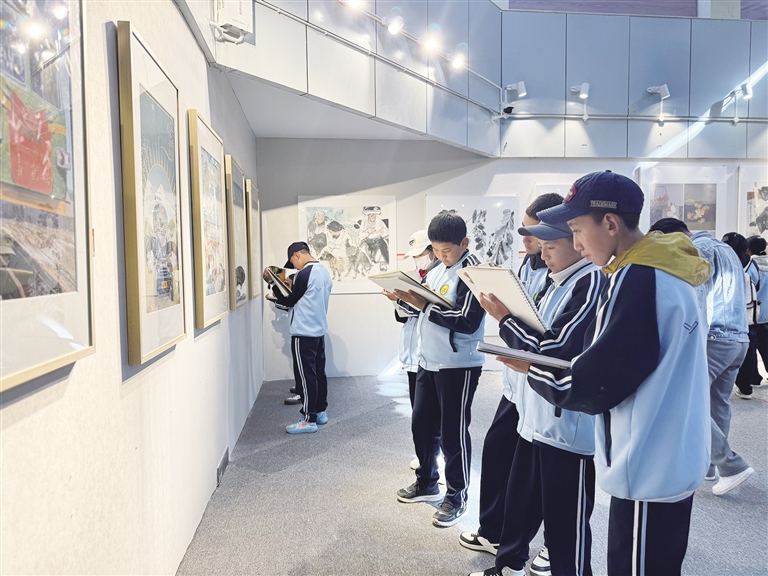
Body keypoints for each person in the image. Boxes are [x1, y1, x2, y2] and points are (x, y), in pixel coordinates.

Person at [527, 171, 711, 576]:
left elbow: (598, 383)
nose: (576, 243)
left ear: (610, 223)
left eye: (577, 229)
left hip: (646, 462)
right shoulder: (668, 269)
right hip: (671, 452)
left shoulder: (635, 276)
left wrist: (532, 369)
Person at [469, 218, 603, 576]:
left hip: (565, 422)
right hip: (534, 412)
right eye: (541, 248)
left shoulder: (590, 282)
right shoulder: (556, 281)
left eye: (551, 248)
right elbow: (541, 341)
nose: (543, 257)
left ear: (577, 242)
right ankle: (509, 565)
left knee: (566, 524)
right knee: (521, 501)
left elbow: (554, 350)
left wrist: (505, 320)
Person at [460, 193, 563, 576]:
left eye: (536, 233)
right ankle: (495, 533)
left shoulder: (579, 279)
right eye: (526, 231)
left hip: (546, 390)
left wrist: (505, 319)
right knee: (502, 456)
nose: (528, 240)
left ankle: (553, 544)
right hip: (517, 384)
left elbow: (550, 345)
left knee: (548, 477)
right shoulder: (530, 264)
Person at [392, 211, 486, 527]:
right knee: (421, 425)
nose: (441, 256)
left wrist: (425, 307)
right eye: (436, 250)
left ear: (464, 243)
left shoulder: (473, 272)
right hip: (427, 361)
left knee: (452, 433)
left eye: (447, 250)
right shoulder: (435, 269)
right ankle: (427, 481)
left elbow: (467, 320)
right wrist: (401, 298)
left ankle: (457, 496)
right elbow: (421, 307)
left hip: (458, 364)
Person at [650, 219, 754, 497]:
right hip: (738, 337)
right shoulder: (725, 248)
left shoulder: (697, 250)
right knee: (717, 402)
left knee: (685, 398)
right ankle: (707, 465)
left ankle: (730, 465)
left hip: (714, 338)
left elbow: (696, 297)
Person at [382, 230, 440, 470]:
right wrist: (396, 301)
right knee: (418, 410)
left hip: (430, 354)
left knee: (429, 412)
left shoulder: (439, 276)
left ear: (433, 250)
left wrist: (400, 300)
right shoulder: (417, 276)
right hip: (412, 352)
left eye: (421, 254)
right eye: (414, 256)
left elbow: (430, 310)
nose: (418, 260)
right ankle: (426, 455)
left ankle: (432, 457)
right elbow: (406, 316)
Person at [267, 241, 333, 434]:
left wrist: (275, 283)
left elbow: (288, 300)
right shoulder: (324, 272)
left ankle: (308, 419)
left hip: (303, 332)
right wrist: (292, 284)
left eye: (293, 262)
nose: (294, 267)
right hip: (318, 331)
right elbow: (306, 297)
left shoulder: (304, 274)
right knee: (318, 374)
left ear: (296, 255)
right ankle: (320, 412)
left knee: (305, 376)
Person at [722, 232, 758, 399]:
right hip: (747, 315)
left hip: (724, 315)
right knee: (749, 351)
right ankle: (746, 388)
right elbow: (756, 284)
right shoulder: (751, 264)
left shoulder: (722, 262)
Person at [518, 193, 565, 302]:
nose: (524, 239)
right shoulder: (529, 259)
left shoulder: (556, 267)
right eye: (523, 228)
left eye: (533, 233)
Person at [747, 235, 768, 386]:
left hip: (754, 314)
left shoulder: (751, 266)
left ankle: (754, 378)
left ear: (748, 249)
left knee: (751, 348)